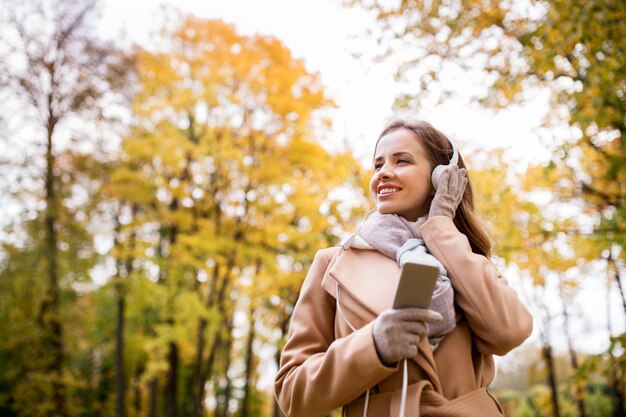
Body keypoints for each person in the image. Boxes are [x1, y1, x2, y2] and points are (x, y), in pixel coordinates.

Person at [274, 118, 533, 417]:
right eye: (378, 165)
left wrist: (441, 227)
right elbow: (292, 394)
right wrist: (373, 345)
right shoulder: (332, 264)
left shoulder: (463, 255)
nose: (383, 172)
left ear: (440, 176)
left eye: (402, 161)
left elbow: (509, 332)